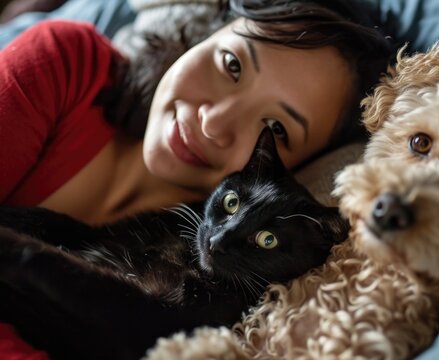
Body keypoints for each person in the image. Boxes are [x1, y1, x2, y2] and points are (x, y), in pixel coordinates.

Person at [0, 0, 392, 225]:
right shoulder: (68, 62)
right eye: (232, 65)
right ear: (208, 34)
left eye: (276, 127)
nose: (213, 122)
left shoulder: (210, 282)